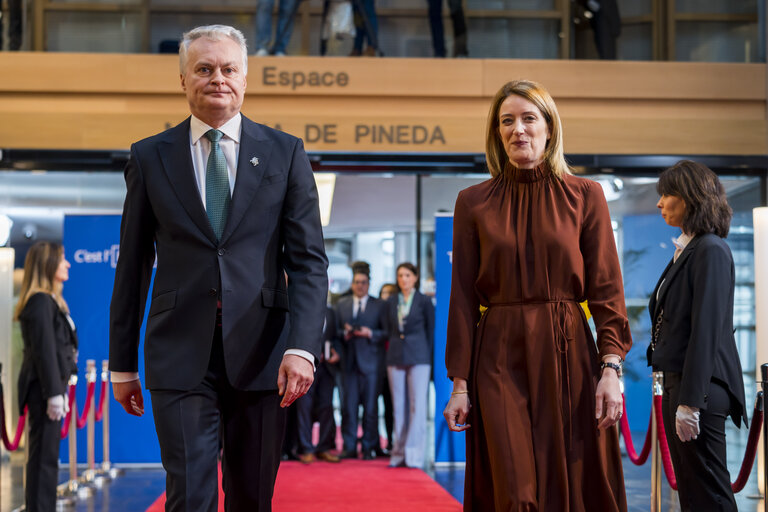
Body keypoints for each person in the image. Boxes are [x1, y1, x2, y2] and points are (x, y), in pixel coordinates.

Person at [108, 24, 328, 511]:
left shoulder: (285, 152)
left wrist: (304, 348)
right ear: (183, 79)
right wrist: (121, 363)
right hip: (179, 354)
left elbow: (309, 261)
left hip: (266, 356)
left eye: (229, 69)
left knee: (251, 497)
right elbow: (133, 265)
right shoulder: (149, 157)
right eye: (204, 69)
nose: (217, 79)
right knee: (190, 495)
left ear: (245, 79)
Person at [443, 79, 631, 510]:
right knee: (516, 490)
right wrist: (460, 383)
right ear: (497, 133)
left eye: (529, 119)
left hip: (568, 351)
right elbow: (462, 300)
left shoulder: (585, 195)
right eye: (506, 121)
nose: (518, 130)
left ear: (549, 128)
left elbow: (606, 288)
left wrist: (610, 369)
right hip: (498, 355)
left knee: (571, 478)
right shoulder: (472, 202)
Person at [648, 160, 746, 512]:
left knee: (710, 493)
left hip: (700, 389)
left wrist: (691, 402)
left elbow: (707, 331)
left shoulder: (710, 249)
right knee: (693, 493)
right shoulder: (689, 248)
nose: (660, 204)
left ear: (689, 198)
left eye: (667, 195)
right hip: (683, 384)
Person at [15, 241, 77, 511]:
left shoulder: (50, 300)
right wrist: (54, 393)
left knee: (47, 459)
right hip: (43, 390)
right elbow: (45, 351)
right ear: (48, 263)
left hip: (50, 388)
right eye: (62, 259)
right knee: (42, 461)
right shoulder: (40, 301)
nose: (67, 264)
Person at [385, 262, 434, 468]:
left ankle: (414, 455)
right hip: (395, 355)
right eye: (400, 276)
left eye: (407, 275)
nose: (403, 279)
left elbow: (431, 331)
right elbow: (388, 328)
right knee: (399, 407)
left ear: (415, 277)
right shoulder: (392, 301)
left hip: (419, 356)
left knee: (417, 406)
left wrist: (429, 356)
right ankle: (398, 453)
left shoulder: (424, 301)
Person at [335, 268, 387, 459]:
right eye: (357, 282)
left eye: (363, 282)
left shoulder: (379, 305)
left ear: (368, 284)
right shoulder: (342, 304)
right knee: (348, 408)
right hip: (348, 364)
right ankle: (349, 446)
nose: (360, 285)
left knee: (371, 409)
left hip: (372, 364)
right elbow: (335, 333)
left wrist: (369, 333)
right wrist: (345, 333)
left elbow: (386, 332)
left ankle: (368, 447)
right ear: (352, 284)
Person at [295, 306, 342, 464]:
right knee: (304, 407)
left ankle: (323, 448)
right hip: (306, 366)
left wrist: (336, 353)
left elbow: (335, 337)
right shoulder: (302, 307)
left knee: (326, 407)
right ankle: (306, 448)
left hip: (327, 368)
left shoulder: (331, 312)